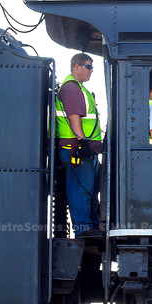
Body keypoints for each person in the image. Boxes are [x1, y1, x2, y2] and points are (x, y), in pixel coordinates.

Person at [55, 53, 102, 236]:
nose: (91, 71)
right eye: (88, 67)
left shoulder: (78, 88)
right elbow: (74, 117)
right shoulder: (72, 89)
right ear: (77, 67)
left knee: (88, 187)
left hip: (84, 148)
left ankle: (91, 224)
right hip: (76, 148)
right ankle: (83, 227)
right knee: (80, 187)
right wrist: (82, 141)